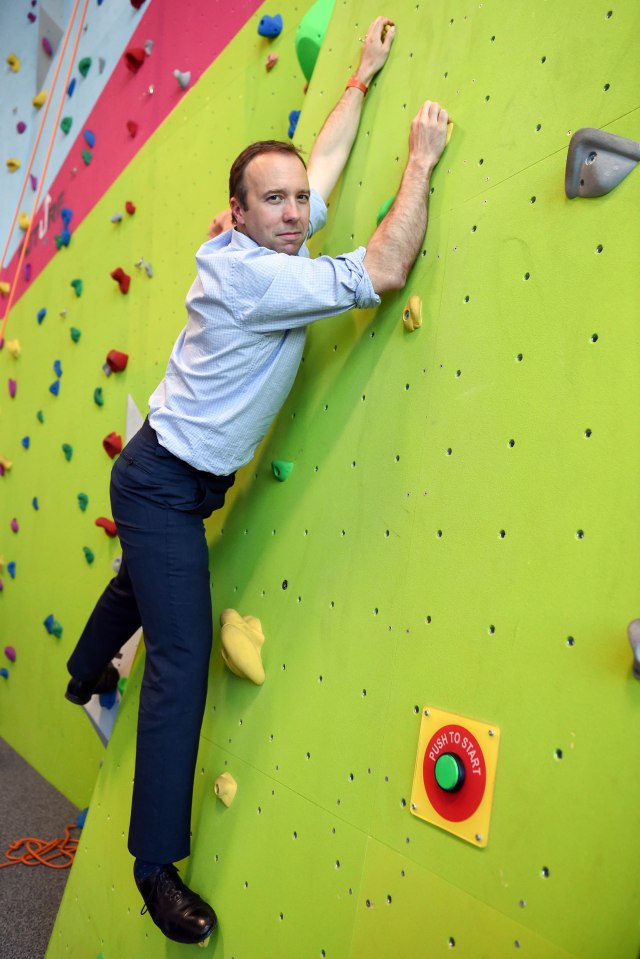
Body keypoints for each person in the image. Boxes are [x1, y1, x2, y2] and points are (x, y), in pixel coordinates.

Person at [65, 15, 448, 946]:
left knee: (136, 586)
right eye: (270, 201)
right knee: (183, 654)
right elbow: (388, 264)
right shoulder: (263, 279)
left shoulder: (264, 247)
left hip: (173, 478)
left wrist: (359, 76)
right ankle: (156, 866)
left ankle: (82, 674)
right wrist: (422, 160)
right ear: (235, 213)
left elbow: (317, 158)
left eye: (295, 200)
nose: (292, 211)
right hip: (160, 482)